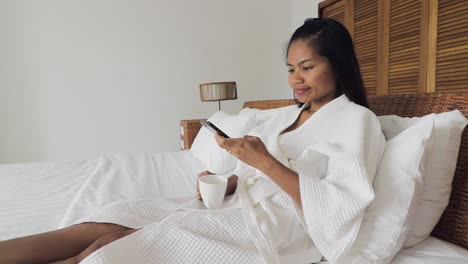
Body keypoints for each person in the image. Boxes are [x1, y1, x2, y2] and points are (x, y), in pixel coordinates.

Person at [0, 18, 385, 264]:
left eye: (307, 67)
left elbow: (341, 207)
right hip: (234, 206)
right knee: (107, 220)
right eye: (290, 69)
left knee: (107, 249)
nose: (295, 79)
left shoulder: (357, 122)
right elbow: (259, 174)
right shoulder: (289, 115)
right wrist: (230, 180)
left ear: (338, 64)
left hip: (272, 231)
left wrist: (264, 162)